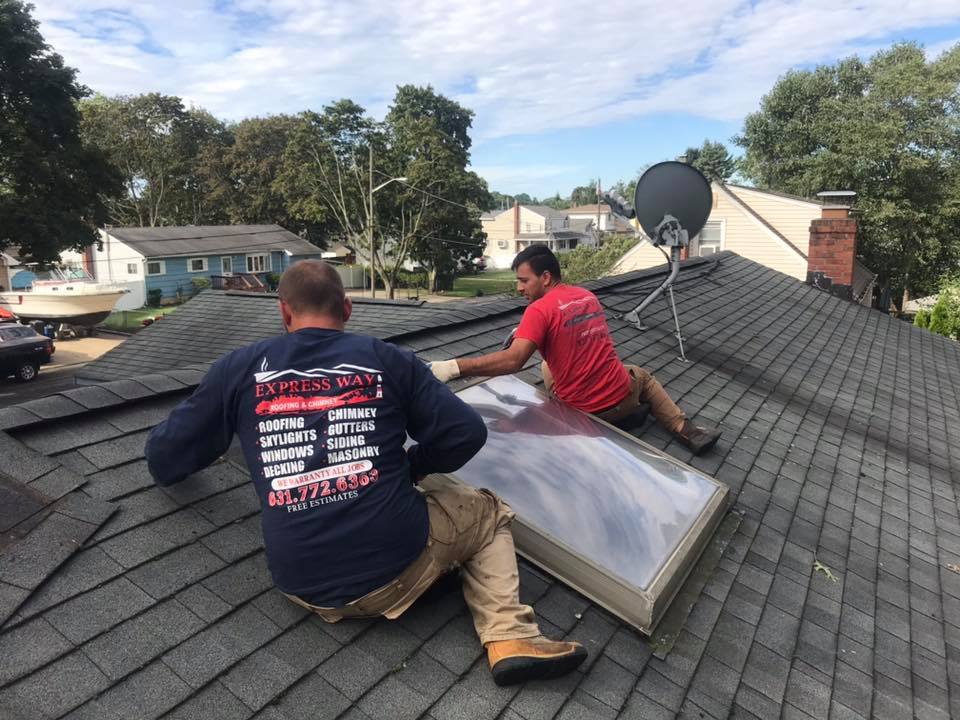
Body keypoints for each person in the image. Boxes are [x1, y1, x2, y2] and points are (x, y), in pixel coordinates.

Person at [144, 260, 586, 686]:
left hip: (302, 584)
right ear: (348, 310)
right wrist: (413, 467)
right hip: (396, 566)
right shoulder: (386, 359)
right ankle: (511, 637)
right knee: (487, 510)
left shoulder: (238, 369)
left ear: (284, 311)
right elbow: (465, 433)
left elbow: (165, 457)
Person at [430, 245, 721, 455]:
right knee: (641, 376)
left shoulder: (538, 310)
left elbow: (514, 360)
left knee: (545, 367)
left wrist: (454, 367)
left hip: (582, 415)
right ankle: (685, 430)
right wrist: (535, 333)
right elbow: (570, 325)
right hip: (621, 395)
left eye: (523, 280)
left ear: (545, 278)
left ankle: (624, 419)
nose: (519, 288)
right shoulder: (587, 296)